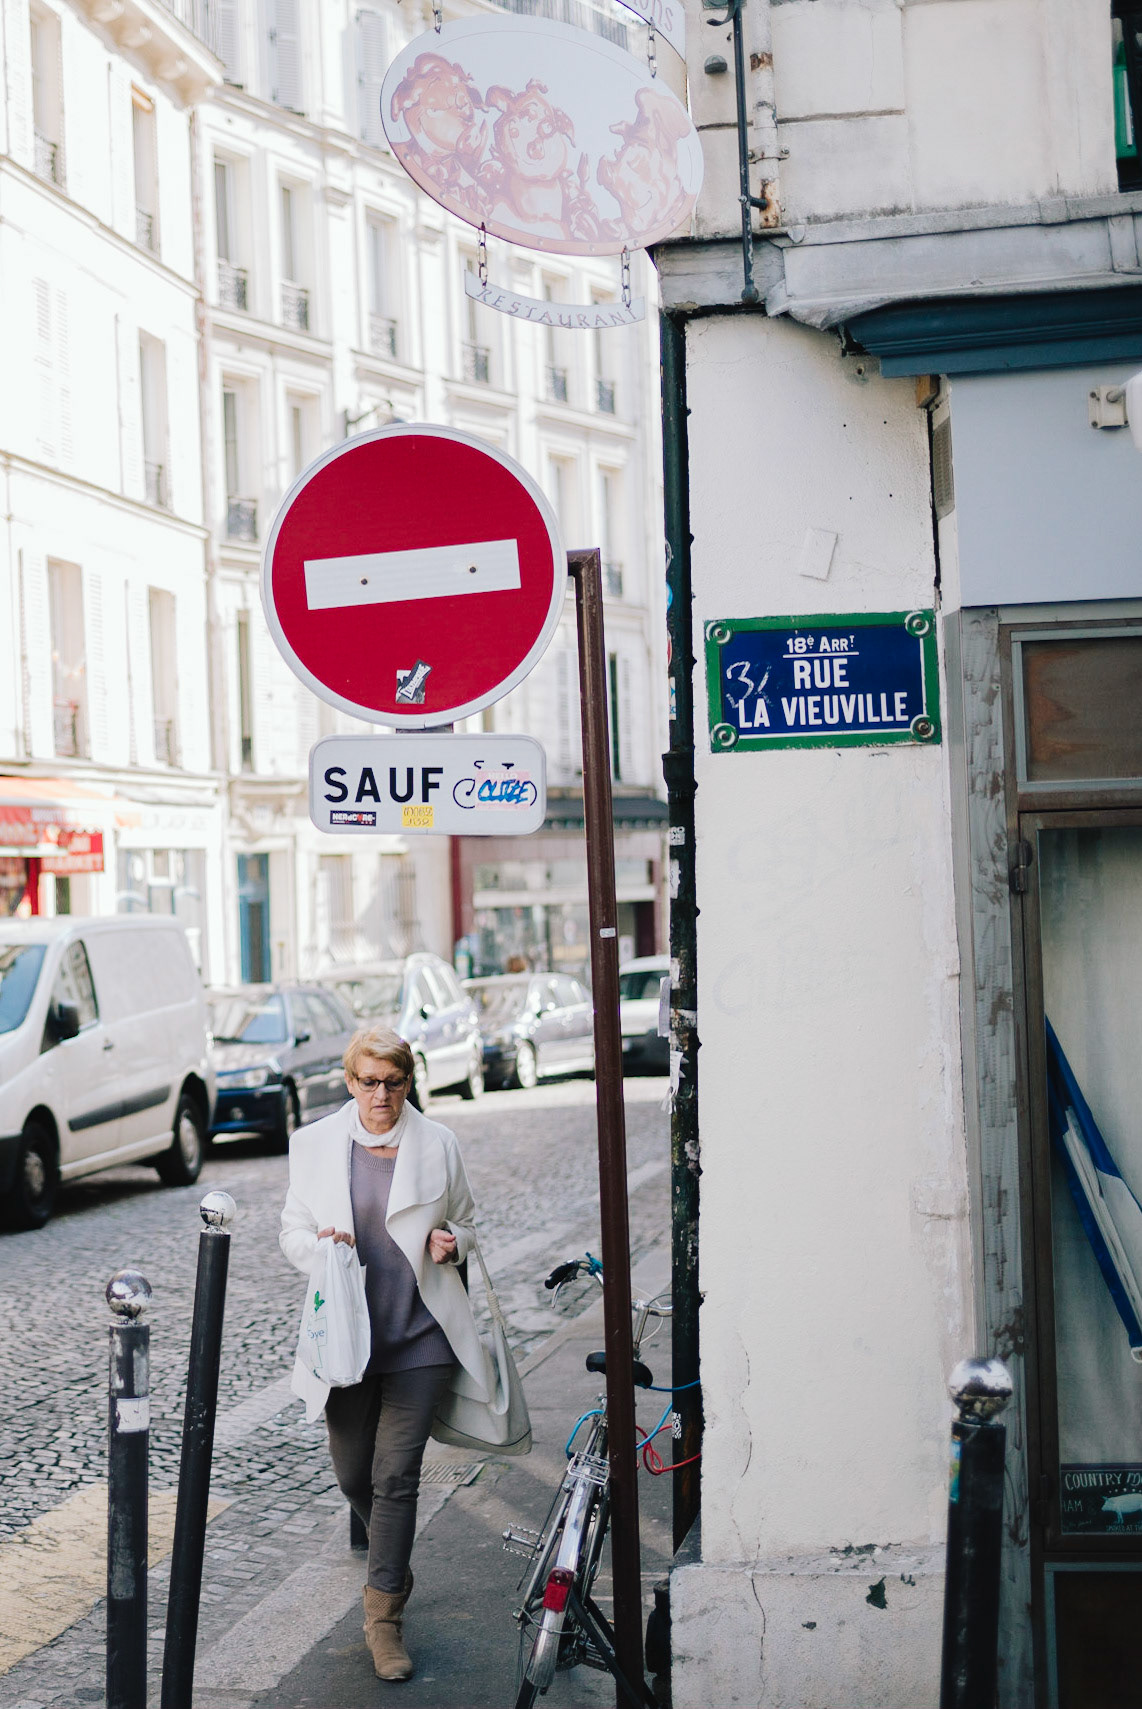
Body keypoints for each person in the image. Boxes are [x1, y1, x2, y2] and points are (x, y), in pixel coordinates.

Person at [279, 1024, 489, 1681]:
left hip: (420, 1336)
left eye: (394, 1082)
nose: (381, 1094)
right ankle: (392, 1562)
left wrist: (451, 1239)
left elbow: (467, 1221)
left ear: (407, 1082)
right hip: (346, 1341)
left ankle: (384, 1619)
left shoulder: (438, 1144)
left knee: (395, 1476)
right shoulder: (313, 1144)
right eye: (369, 1081)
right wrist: (322, 1246)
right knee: (353, 1477)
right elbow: (291, 1230)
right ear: (350, 1082)